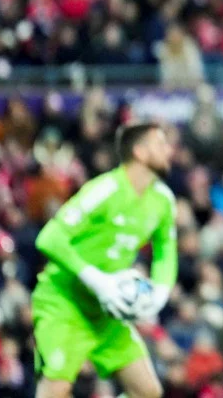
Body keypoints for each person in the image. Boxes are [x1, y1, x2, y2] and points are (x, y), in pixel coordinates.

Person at [32, 122, 178, 398]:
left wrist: (160, 292)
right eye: (161, 144)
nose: (169, 150)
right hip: (64, 303)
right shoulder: (105, 189)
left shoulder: (162, 200)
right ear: (140, 151)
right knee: (55, 392)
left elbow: (165, 249)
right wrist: (97, 281)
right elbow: (49, 238)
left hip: (106, 312)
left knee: (148, 392)